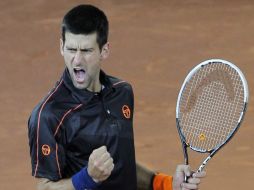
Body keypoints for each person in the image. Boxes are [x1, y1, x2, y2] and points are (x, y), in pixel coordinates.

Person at [28, 4, 205, 190]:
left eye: (86, 51)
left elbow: (122, 165)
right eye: (72, 49)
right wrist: (87, 178)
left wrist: (166, 184)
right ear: (61, 47)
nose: (77, 60)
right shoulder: (48, 116)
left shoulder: (122, 94)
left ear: (104, 50)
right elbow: (44, 188)